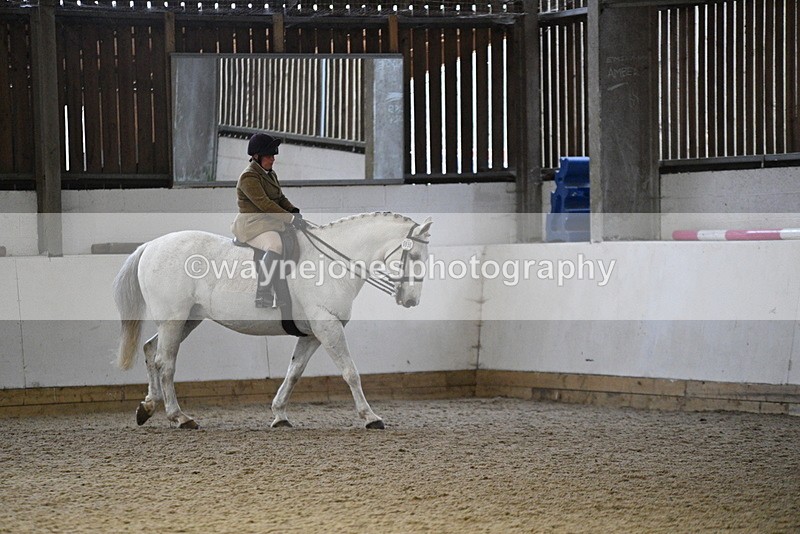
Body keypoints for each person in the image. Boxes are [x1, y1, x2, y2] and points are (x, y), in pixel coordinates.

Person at [231, 133, 307, 308]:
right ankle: (263, 294)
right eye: (269, 156)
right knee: (275, 246)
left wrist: (294, 211)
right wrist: (289, 218)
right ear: (256, 156)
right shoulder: (248, 177)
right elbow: (265, 204)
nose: (273, 159)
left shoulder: (269, 174)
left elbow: (279, 198)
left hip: (268, 222)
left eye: (273, 156)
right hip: (251, 224)